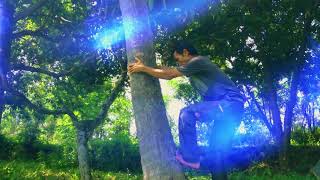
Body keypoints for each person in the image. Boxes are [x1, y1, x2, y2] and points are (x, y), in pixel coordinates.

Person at [128, 41, 244, 175]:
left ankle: (190, 158)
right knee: (216, 155)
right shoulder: (195, 66)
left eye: (178, 59)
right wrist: (147, 65)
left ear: (185, 52)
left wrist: (143, 69)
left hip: (229, 103)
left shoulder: (198, 61)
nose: (179, 64)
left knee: (187, 113)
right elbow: (169, 70)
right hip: (231, 109)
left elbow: (169, 75)